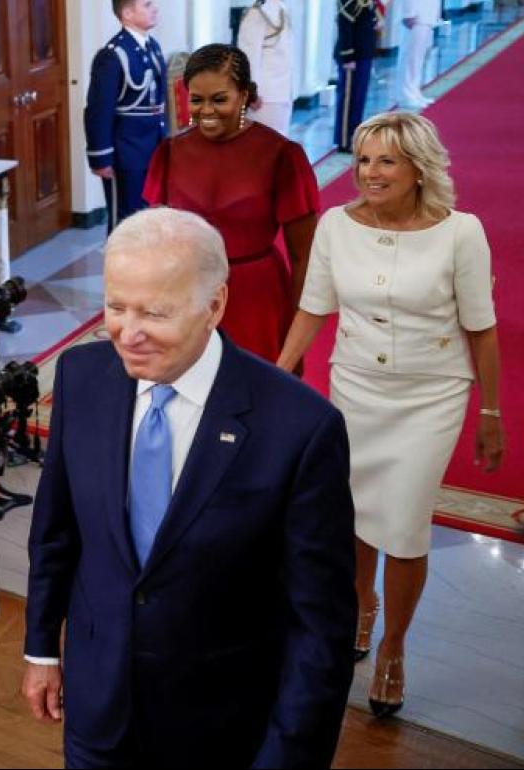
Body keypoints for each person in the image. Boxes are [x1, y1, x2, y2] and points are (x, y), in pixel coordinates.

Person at [21, 207, 357, 768]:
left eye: (154, 312)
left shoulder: (300, 427)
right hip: (97, 710)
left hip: (223, 730)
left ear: (215, 305)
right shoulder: (82, 378)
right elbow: (56, 530)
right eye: (115, 306)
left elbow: (319, 626)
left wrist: (288, 756)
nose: (128, 333)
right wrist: (41, 650)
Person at [278, 111, 503, 718]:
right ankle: (360, 610)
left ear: (418, 168)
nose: (369, 173)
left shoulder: (461, 232)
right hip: (356, 390)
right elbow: (313, 308)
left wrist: (492, 409)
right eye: (363, 159)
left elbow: (481, 326)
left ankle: (394, 650)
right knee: (353, 515)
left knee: (402, 526)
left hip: (431, 395)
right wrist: (280, 371)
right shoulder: (334, 225)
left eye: (386, 161)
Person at [143, 44, 319, 364]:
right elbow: (158, 244)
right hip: (190, 293)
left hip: (256, 298)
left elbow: (304, 257)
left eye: (219, 99)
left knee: (255, 396)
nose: (206, 111)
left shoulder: (281, 155)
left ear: (244, 95)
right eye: (197, 99)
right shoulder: (170, 153)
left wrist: (296, 332)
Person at [85, 0, 167, 233]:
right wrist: (101, 157)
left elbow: (158, 103)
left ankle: (147, 269)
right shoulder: (112, 55)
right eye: (147, 4)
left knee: (150, 214)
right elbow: (99, 110)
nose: (155, 8)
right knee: (126, 220)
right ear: (128, 13)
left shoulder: (152, 46)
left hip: (153, 145)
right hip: (127, 150)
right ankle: (120, 269)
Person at [236, 0, 294, 135]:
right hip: (264, 97)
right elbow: (248, 58)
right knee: (262, 147)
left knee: (279, 146)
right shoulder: (256, 14)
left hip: (283, 93)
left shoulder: (282, 9)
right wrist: (251, 92)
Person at [335, 0, 381, 152]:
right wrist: (347, 56)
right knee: (349, 100)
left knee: (359, 99)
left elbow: (368, 15)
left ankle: (354, 136)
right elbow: (344, 23)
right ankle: (344, 140)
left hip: (364, 53)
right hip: (353, 56)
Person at [396, 0, 441, 109]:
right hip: (416, 16)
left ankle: (415, 91)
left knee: (419, 59)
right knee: (411, 58)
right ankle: (406, 95)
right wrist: (408, 13)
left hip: (427, 15)